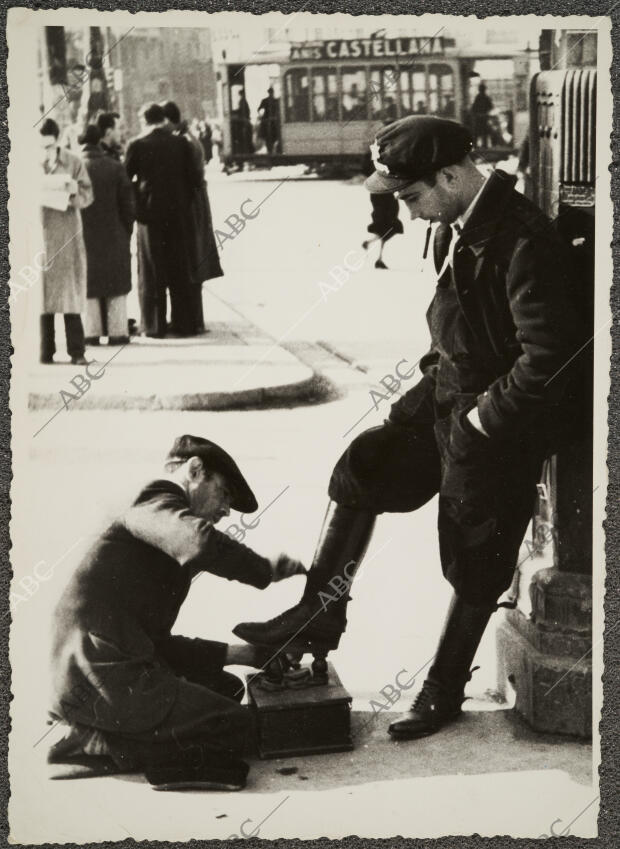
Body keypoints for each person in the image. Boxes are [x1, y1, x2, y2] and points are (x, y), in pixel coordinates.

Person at [234, 116, 586, 741]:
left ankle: (442, 691)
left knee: (476, 553)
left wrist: (479, 422)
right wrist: (414, 407)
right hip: (445, 405)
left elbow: (549, 359)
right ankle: (319, 614)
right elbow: (455, 339)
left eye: (410, 195)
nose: (407, 210)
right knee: (364, 465)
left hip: (496, 428)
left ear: (450, 176)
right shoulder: (457, 222)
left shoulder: (522, 239)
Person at [48, 435, 306, 790]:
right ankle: (100, 743)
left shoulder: (158, 527)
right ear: (195, 470)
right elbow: (199, 542)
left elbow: (153, 640)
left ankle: (106, 731)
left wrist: (244, 654)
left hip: (101, 666)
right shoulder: (152, 498)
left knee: (226, 687)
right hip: (98, 674)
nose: (227, 510)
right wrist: (265, 570)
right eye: (225, 492)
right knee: (236, 724)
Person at [125, 103, 203, 338]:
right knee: (179, 267)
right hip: (178, 215)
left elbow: (126, 181)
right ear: (163, 120)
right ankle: (184, 323)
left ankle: (154, 325)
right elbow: (194, 180)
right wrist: (183, 203)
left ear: (145, 120)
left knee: (152, 271)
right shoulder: (180, 143)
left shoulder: (137, 145)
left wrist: (138, 208)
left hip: (150, 217)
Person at [162, 101, 224, 333]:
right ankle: (194, 318)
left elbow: (192, 176)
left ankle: (194, 320)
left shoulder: (185, 141)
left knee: (192, 260)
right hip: (196, 203)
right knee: (193, 261)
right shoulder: (187, 137)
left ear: (169, 121)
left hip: (192, 205)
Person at [39, 118, 93, 365]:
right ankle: (45, 351)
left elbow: (87, 194)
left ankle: (77, 351)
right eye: (43, 147)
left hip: (68, 232)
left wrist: (72, 193)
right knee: (42, 296)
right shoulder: (29, 162)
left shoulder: (74, 161)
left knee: (70, 292)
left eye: (50, 147)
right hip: (41, 232)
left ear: (58, 139)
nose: (47, 153)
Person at [79, 125, 135, 346]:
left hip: (83, 236)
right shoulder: (115, 166)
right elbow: (128, 205)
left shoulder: (75, 168)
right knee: (116, 284)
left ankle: (91, 332)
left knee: (89, 284)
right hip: (114, 235)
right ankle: (117, 332)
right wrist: (125, 230)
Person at [360, 130, 403, 269]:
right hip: (384, 192)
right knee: (388, 223)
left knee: (385, 222)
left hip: (378, 192)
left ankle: (373, 247)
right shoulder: (383, 155)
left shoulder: (372, 155)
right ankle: (377, 255)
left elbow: (365, 170)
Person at [257, 87, 280, 155]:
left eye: (271, 92)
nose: (271, 94)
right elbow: (259, 109)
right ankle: (271, 148)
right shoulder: (275, 101)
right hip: (271, 120)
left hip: (269, 120)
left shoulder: (266, 100)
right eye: (270, 92)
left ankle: (270, 149)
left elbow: (258, 109)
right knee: (272, 134)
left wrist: (261, 115)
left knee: (268, 134)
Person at [471, 82, 494, 148]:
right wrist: (486, 112)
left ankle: (475, 146)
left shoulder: (477, 98)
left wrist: (476, 114)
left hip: (478, 117)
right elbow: (491, 107)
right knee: (484, 132)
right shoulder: (486, 98)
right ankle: (484, 146)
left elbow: (473, 108)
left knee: (477, 132)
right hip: (484, 117)